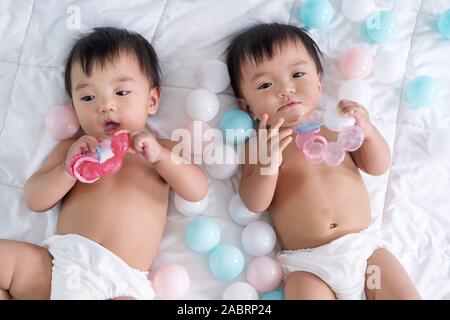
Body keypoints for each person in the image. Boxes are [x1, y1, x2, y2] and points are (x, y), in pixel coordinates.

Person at [0, 27, 208, 300]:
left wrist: (160, 157)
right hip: (58, 266)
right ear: (74, 108)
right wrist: (67, 170)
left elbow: (197, 189)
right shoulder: (72, 150)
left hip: (119, 282)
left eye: (121, 92)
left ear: (152, 100)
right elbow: (34, 199)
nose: (106, 106)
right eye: (88, 97)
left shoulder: (162, 150)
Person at [226, 23, 420, 300]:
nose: (286, 89)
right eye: (266, 84)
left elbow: (377, 166)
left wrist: (368, 132)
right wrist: (268, 166)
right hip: (309, 267)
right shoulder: (260, 145)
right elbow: (255, 202)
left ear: (319, 81)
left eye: (297, 74)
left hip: (364, 253)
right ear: (246, 106)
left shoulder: (337, 125)